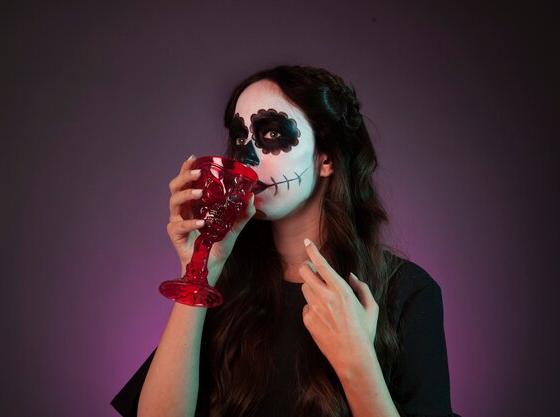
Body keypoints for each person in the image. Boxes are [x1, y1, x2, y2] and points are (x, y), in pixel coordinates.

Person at [111, 65, 460, 417]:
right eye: (238, 137)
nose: (245, 158)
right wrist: (200, 267)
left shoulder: (408, 292)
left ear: (326, 158)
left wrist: (357, 363)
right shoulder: (226, 283)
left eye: (272, 134)